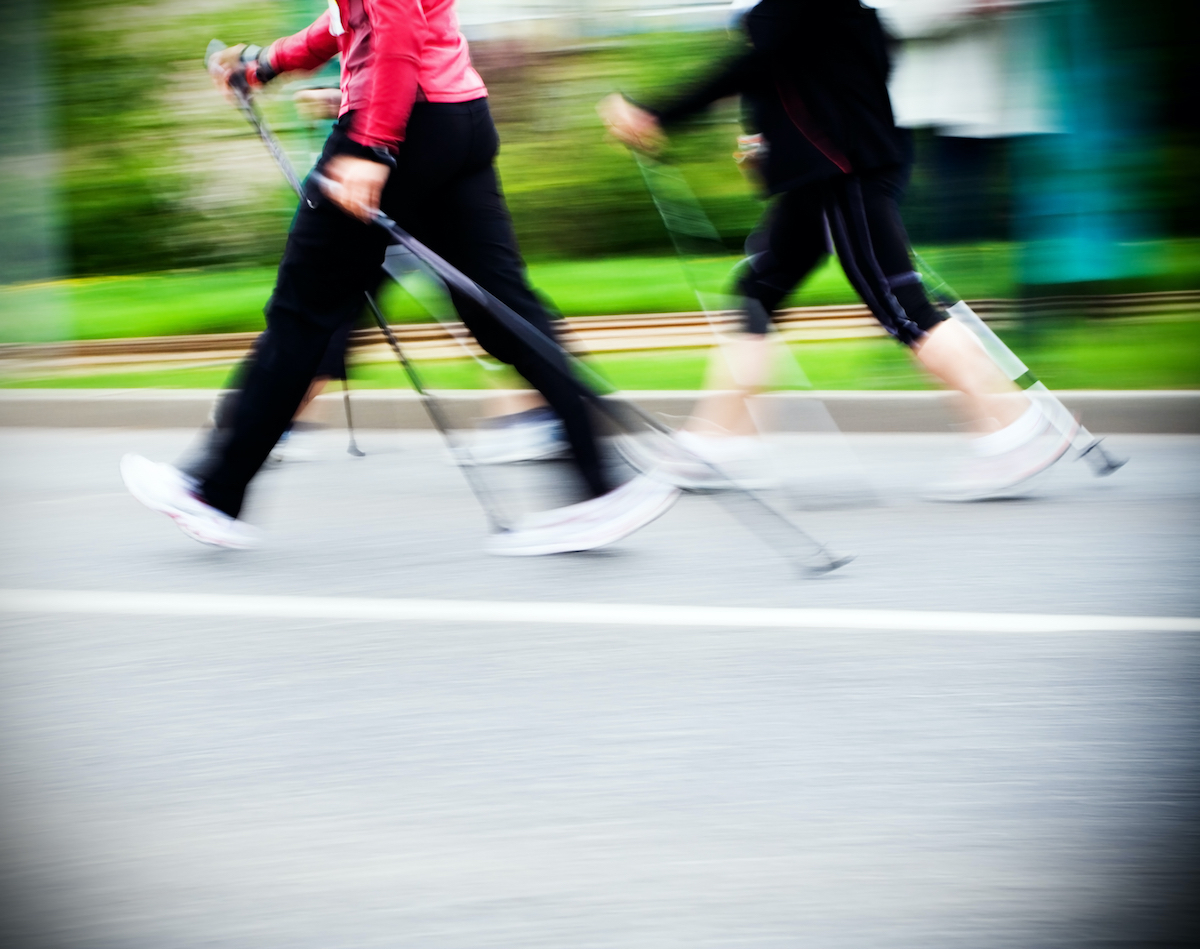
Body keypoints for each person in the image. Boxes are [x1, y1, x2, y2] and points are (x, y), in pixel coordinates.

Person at [121, 0, 678, 553]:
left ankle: (212, 493)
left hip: (397, 126)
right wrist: (268, 62)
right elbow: (353, 18)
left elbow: (394, 24)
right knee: (504, 310)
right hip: (457, 119)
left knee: (302, 316)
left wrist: (371, 146)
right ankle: (602, 489)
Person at [600, 0, 1075, 500]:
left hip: (840, 174)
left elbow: (756, 64)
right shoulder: (842, 11)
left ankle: (1012, 427)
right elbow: (808, 66)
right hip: (832, 171)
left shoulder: (793, 10)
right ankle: (721, 440)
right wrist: (768, 142)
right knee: (759, 290)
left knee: (903, 309)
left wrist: (655, 113)